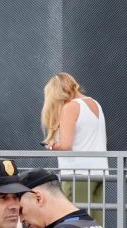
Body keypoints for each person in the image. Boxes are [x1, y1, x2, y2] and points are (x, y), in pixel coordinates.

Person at [42, 72, 109, 217]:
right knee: (94, 224)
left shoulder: (70, 107)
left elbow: (66, 145)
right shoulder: (94, 103)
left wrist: (52, 145)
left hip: (77, 173)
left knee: (75, 220)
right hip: (99, 171)